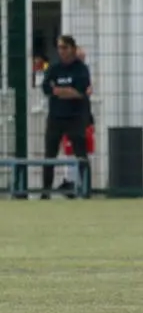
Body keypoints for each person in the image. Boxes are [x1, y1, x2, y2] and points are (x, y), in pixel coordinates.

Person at [40, 35, 91, 200]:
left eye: (65, 47)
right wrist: (68, 91)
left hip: (75, 117)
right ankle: (45, 191)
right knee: (50, 155)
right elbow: (47, 88)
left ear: (72, 49)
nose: (61, 51)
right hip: (56, 117)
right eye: (59, 47)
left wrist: (60, 91)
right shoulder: (54, 68)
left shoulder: (81, 69)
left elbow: (81, 92)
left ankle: (86, 190)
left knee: (81, 154)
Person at [58, 46, 94, 195]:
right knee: (69, 150)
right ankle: (70, 182)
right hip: (70, 118)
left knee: (86, 151)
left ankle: (83, 183)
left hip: (84, 119)